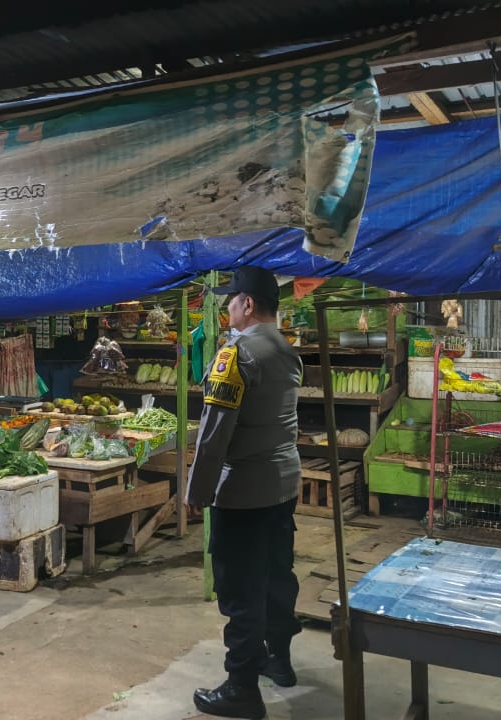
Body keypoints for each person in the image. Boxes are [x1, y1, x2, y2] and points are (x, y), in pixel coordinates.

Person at [185, 265, 303, 720]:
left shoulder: (235, 355)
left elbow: (215, 433)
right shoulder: (286, 350)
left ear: (246, 304)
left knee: (240, 587)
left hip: (244, 489)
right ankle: (281, 661)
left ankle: (241, 688)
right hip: (284, 482)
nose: (226, 308)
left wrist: (197, 491)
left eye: (229, 301)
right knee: (277, 574)